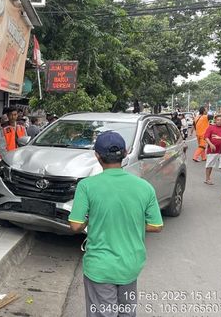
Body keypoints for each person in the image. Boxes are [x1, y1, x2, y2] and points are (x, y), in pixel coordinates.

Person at [68, 131, 163, 317]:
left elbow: (75, 225)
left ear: (97, 155)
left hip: (100, 266)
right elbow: (156, 225)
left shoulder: (87, 186)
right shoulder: (144, 186)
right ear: (126, 152)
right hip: (130, 265)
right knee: (127, 312)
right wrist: (132, 222)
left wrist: (92, 219)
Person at [204, 114, 221, 187]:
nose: (219, 121)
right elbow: (206, 137)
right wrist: (211, 144)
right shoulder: (211, 127)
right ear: (215, 120)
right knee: (210, 165)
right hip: (212, 150)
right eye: (218, 120)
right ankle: (207, 179)